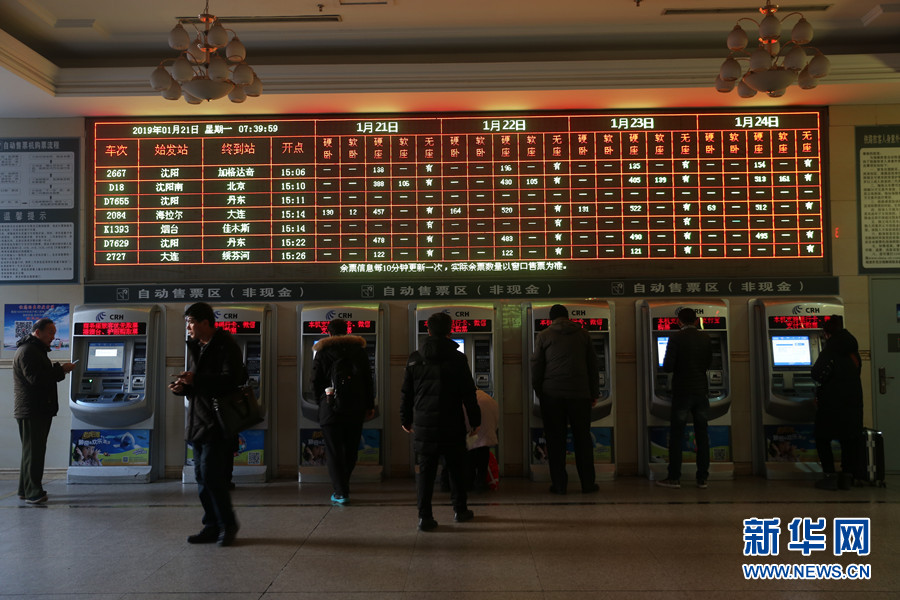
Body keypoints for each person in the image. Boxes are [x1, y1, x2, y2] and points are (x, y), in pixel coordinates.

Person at [170, 302, 246, 546]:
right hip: (198, 420)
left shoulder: (226, 346)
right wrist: (183, 388)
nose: (188, 327)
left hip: (217, 422)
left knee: (212, 476)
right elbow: (199, 384)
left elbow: (232, 379)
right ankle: (211, 525)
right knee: (201, 476)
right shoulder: (198, 347)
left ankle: (227, 524)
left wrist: (196, 380)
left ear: (205, 323)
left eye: (191, 322)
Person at [401, 312, 481, 531]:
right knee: (456, 468)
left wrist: (405, 419)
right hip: (451, 423)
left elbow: (406, 393)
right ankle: (460, 510)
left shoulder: (414, 358)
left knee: (425, 472)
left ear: (428, 330)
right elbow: (468, 393)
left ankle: (424, 517)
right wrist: (475, 420)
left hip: (424, 425)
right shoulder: (458, 359)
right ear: (450, 331)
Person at [530, 304, 600, 495]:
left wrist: (540, 391)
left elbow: (536, 366)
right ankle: (588, 484)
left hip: (552, 395)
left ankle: (559, 485)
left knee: (555, 440)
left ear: (551, 319)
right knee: (582, 438)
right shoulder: (583, 334)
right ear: (568, 317)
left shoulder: (544, 335)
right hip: (580, 395)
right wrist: (594, 393)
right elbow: (593, 366)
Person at [311, 318, 376, 504]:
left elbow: (315, 381)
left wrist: (321, 402)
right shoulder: (359, 351)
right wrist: (369, 405)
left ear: (329, 333)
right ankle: (343, 484)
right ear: (347, 331)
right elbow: (368, 380)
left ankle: (341, 491)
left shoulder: (322, 352)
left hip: (330, 407)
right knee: (350, 449)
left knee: (334, 451)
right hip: (355, 407)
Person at [13, 318, 76, 504]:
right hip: (32, 409)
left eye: (54, 333)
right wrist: (61, 370)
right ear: (38, 332)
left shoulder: (33, 350)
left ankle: (25, 489)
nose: (53, 337)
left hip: (35, 408)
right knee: (34, 452)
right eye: (50, 333)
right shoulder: (28, 351)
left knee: (31, 451)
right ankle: (34, 493)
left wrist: (58, 370)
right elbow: (36, 379)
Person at [657, 307, 712, 489]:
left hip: (682, 392)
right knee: (702, 435)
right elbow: (709, 363)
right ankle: (702, 478)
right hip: (701, 392)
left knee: (677, 436)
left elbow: (667, 367)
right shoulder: (705, 337)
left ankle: (674, 477)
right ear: (696, 321)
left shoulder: (676, 338)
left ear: (678, 321)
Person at [811, 315, 864, 491]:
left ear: (827, 334)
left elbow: (816, 373)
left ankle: (830, 476)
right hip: (853, 402)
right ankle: (847, 477)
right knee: (849, 439)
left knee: (822, 437)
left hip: (831, 403)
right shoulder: (853, 350)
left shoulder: (830, 350)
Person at [467, 390, 499, 492]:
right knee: (483, 460)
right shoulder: (489, 399)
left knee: (471, 457)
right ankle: (480, 484)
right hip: (486, 433)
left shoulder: (469, 398)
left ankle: (470, 483)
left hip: (473, 432)